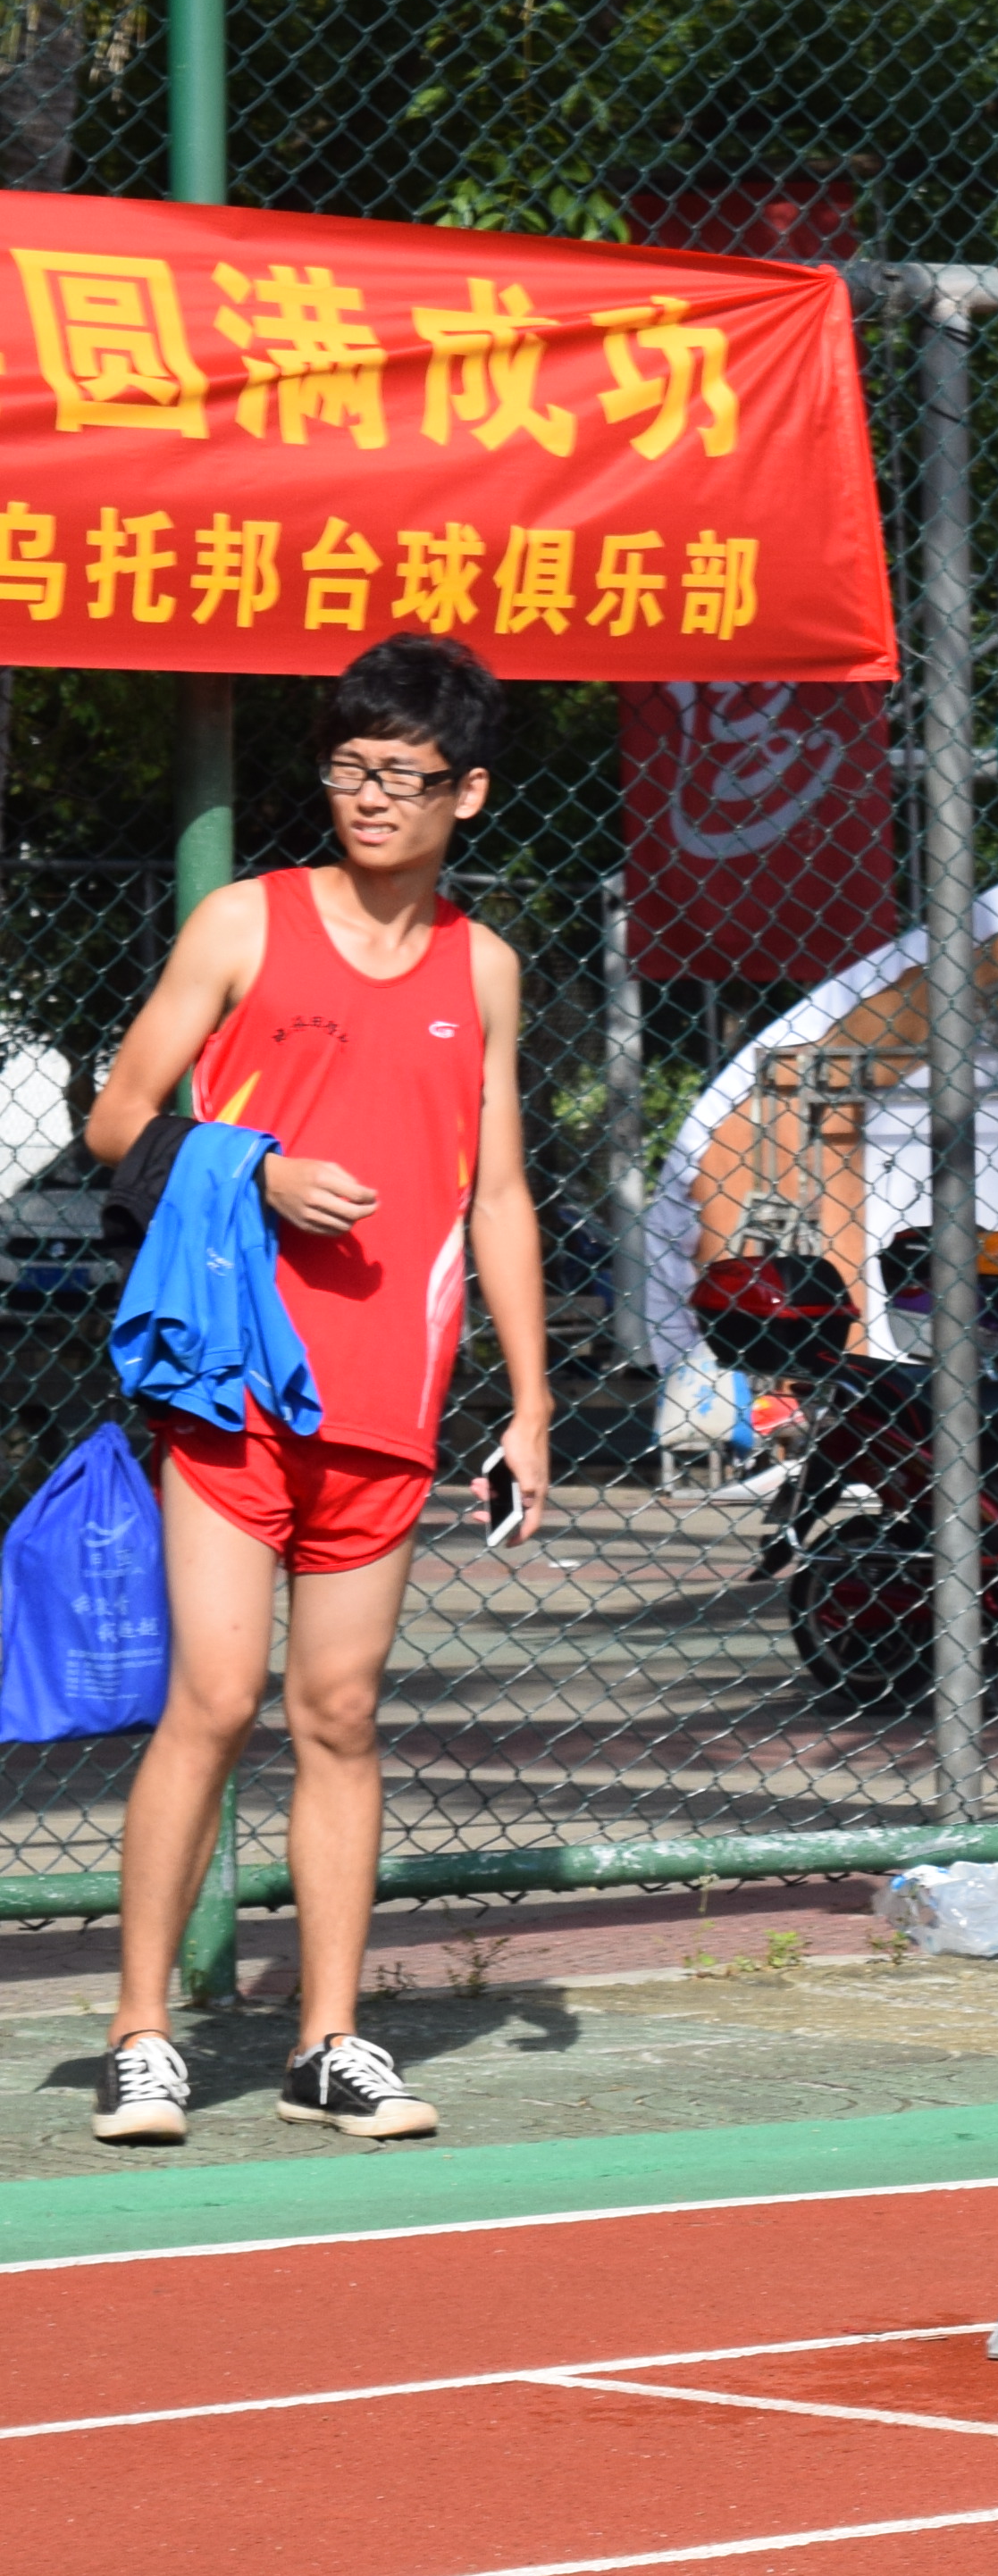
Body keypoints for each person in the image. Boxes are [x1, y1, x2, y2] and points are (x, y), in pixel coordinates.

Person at [83, 632, 546, 2146]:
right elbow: (116, 1121)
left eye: (401, 776)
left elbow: (498, 1198)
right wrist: (258, 1174)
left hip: (389, 1404)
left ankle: (328, 2040)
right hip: (229, 1382)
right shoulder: (245, 924)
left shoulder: (484, 970)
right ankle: (142, 2034)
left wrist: (529, 1406)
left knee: (337, 1710)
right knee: (214, 1698)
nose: (367, 797)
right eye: (348, 768)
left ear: (464, 792)